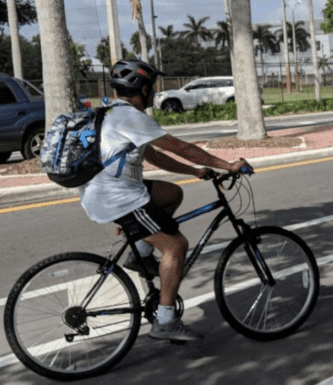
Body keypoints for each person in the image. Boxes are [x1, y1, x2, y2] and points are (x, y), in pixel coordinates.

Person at [80, 58, 250, 341]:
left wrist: (195, 171)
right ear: (142, 87)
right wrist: (227, 164)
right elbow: (180, 147)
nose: (154, 91)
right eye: (152, 86)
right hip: (118, 197)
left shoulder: (112, 112)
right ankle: (166, 321)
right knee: (176, 245)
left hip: (105, 190)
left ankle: (141, 256)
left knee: (172, 193)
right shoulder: (132, 117)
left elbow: (155, 156)